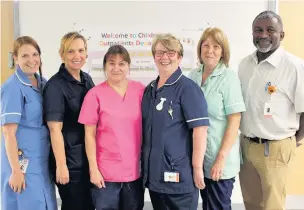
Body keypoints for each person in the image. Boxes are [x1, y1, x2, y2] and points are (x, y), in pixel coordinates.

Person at [238, 11, 304, 210]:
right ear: (252, 34)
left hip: (276, 148)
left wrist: (293, 140)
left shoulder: (294, 66)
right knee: (250, 202)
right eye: (258, 30)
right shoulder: (244, 64)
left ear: (281, 35)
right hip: (246, 146)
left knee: (273, 204)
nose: (263, 35)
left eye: (270, 30)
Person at [141, 33, 210, 210]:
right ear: (154, 57)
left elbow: (200, 131)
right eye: (159, 53)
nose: (164, 57)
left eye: (170, 53)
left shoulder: (188, 89)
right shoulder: (149, 91)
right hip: (155, 177)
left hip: (179, 177)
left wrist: (197, 168)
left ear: (179, 57)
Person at [78, 45, 145, 210]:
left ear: (128, 66)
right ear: (105, 67)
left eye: (122, 64)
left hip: (135, 171)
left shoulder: (141, 91)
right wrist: (93, 169)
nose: (116, 68)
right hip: (105, 174)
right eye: (111, 63)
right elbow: (89, 135)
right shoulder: (94, 95)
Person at [188, 27, 246, 210]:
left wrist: (220, 159)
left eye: (216, 46)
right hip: (198, 158)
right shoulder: (193, 76)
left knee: (218, 206)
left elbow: (234, 120)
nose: (210, 50)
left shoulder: (229, 78)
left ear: (223, 52)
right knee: (206, 205)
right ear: (200, 49)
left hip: (219, 159)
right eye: (206, 45)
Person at [1, 36, 57, 210]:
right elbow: (8, 133)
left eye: (35, 54)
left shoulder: (43, 83)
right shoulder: (12, 87)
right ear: (15, 58)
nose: (31, 60)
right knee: (28, 203)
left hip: (41, 158)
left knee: (46, 202)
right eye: (25, 56)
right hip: (22, 160)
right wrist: (16, 171)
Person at [43, 32, 95, 210]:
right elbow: (54, 130)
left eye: (81, 50)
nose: (77, 56)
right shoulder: (55, 86)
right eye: (71, 51)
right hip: (69, 164)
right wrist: (61, 166)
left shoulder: (87, 80)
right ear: (62, 54)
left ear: (86, 54)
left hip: (86, 160)